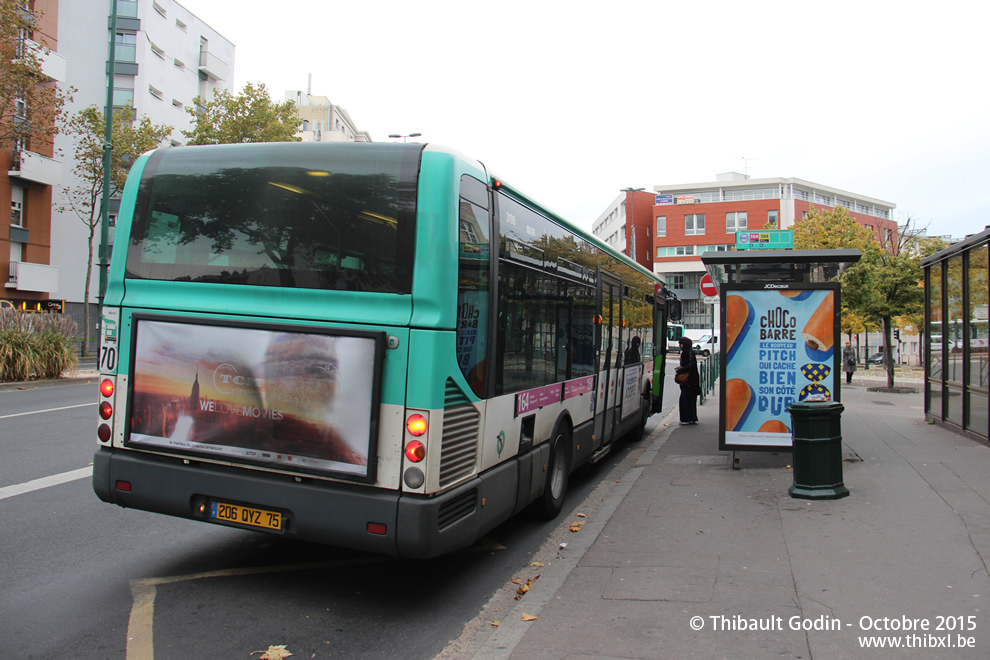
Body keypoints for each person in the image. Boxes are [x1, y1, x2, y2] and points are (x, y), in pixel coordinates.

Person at [676, 335, 700, 424]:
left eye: (680, 344)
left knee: (685, 398)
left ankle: (686, 418)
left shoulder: (686, 352)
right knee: (690, 399)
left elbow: (689, 365)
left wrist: (680, 370)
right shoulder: (690, 352)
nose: (679, 345)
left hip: (689, 380)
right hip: (692, 380)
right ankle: (691, 417)